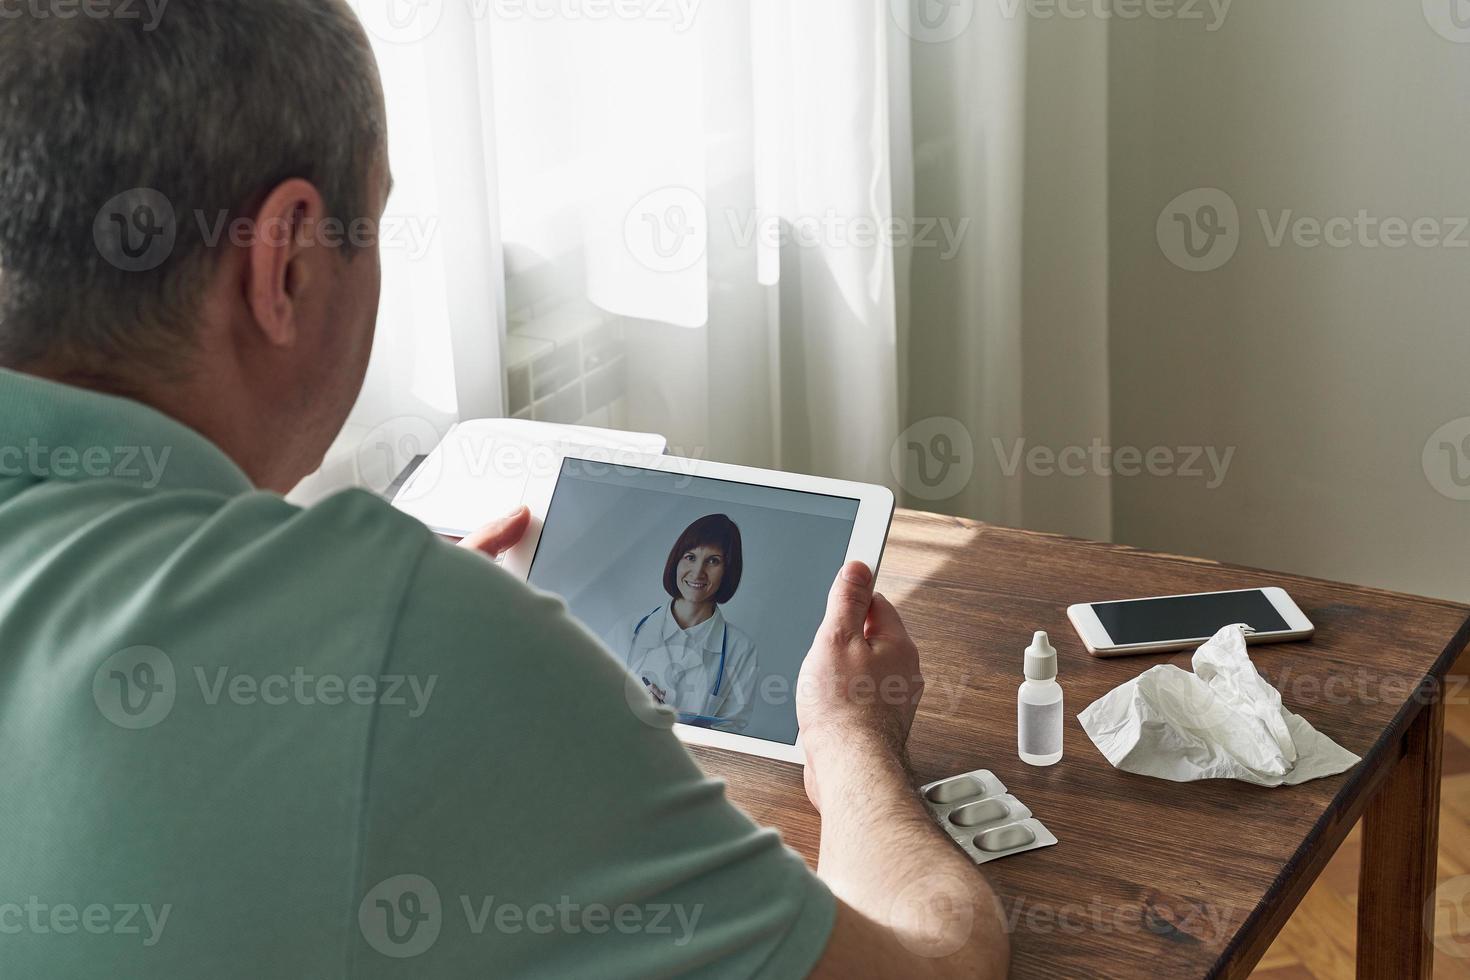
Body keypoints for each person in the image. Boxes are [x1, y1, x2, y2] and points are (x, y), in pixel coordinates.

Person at [0, 3, 1008, 978]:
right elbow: (935, 966)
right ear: (290, 265)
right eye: (379, 219)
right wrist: (850, 740)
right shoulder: (409, 641)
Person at [606, 514, 759, 732]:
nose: (698, 572)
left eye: (713, 561)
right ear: (676, 561)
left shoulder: (741, 649)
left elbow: (732, 730)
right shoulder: (627, 631)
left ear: (728, 570)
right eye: (690, 557)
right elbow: (592, 701)